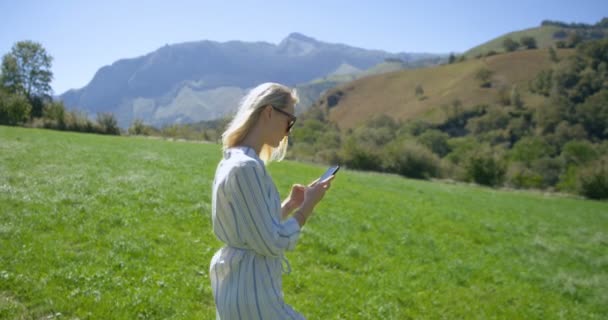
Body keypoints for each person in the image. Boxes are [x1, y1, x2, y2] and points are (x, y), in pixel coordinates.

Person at [209, 82, 334, 319]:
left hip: (241, 285)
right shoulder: (246, 167)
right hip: (251, 289)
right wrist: (307, 207)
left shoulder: (235, 159)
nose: (289, 130)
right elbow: (271, 241)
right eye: (290, 121)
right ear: (268, 112)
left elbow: (251, 225)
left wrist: (288, 206)